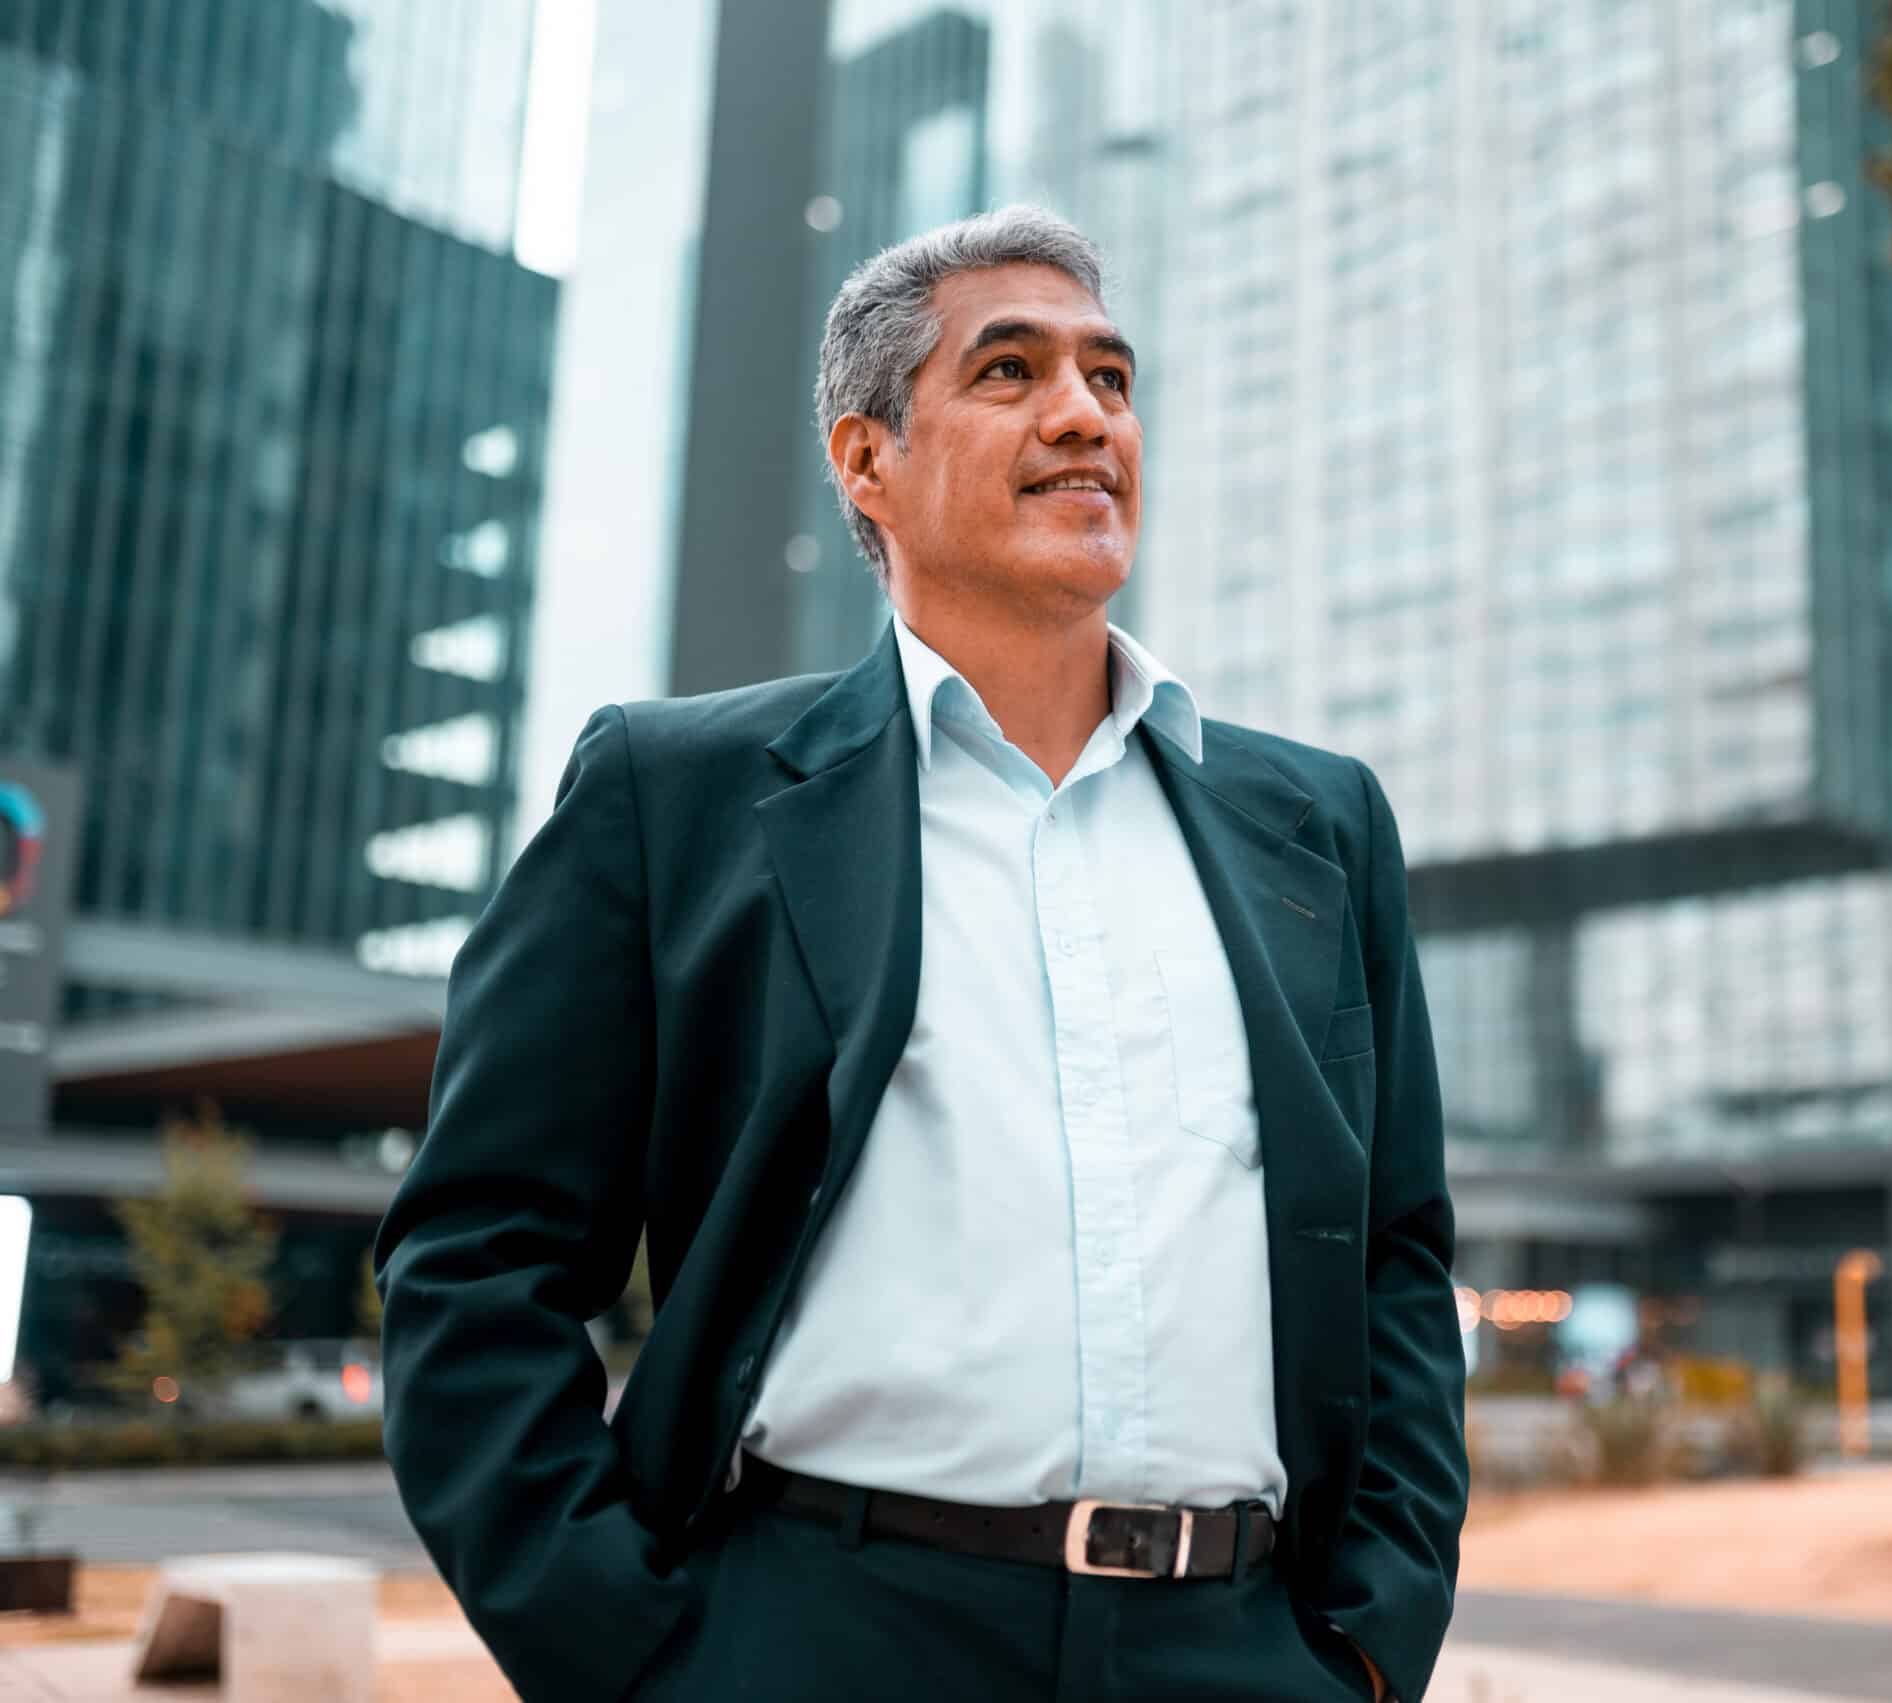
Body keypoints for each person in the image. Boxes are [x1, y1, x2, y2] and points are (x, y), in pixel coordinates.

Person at [374, 205, 1466, 1702]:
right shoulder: (676, 796)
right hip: (820, 1640)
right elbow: (477, 1257)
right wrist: (629, 1656)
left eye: (1113, 378)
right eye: (1009, 372)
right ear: (866, 460)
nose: (1085, 415)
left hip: (1245, 1649)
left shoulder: (1319, 827)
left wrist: (1372, 1636)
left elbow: (1397, 1251)